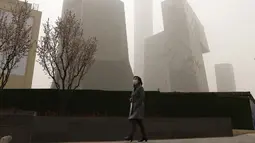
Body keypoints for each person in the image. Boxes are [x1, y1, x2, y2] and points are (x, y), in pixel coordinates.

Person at [124, 76, 148, 142]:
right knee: (139, 122)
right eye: (133, 79)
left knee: (133, 120)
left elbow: (142, 97)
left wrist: (137, 104)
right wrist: (131, 99)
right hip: (135, 107)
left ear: (139, 81)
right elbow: (134, 96)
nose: (134, 81)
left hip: (138, 107)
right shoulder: (135, 88)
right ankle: (144, 136)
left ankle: (131, 136)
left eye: (135, 79)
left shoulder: (140, 88)